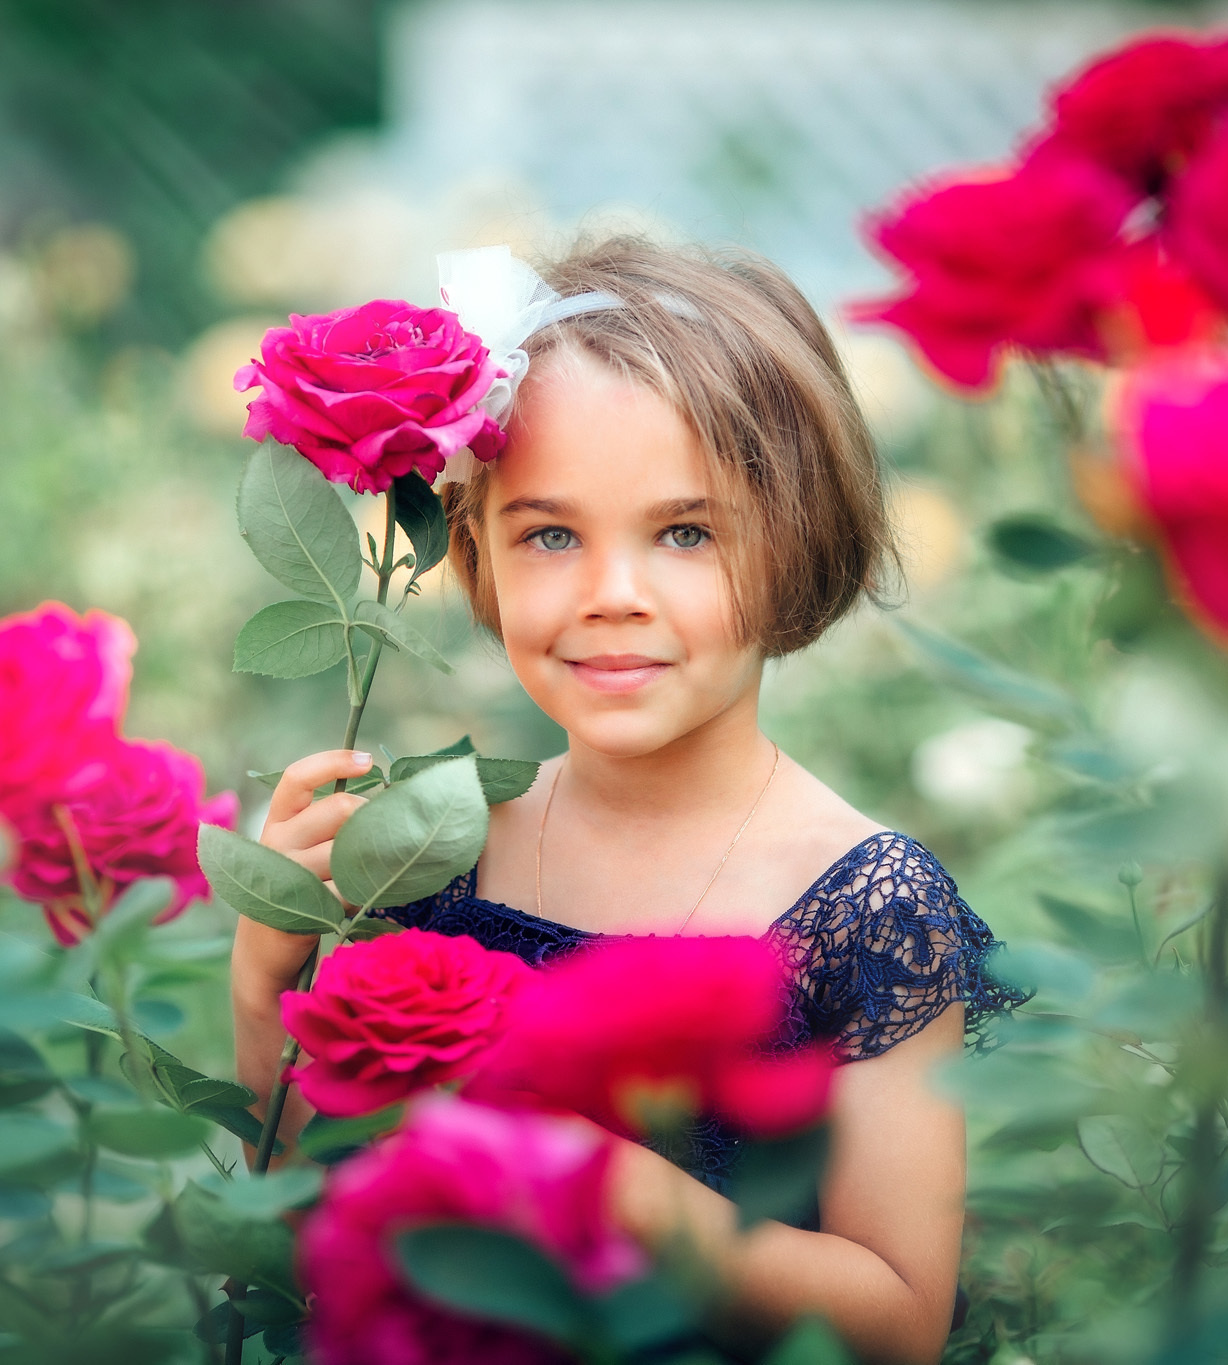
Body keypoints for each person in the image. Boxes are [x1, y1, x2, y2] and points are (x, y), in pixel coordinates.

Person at [232, 238, 1023, 1364]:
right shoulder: (433, 848)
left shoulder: (864, 906)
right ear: (475, 550)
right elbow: (323, 1216)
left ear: (796, 542)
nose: (611, 596)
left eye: (684, 533)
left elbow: (897, 1323)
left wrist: (623, 1193)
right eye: (550, 534)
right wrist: (267, 983)